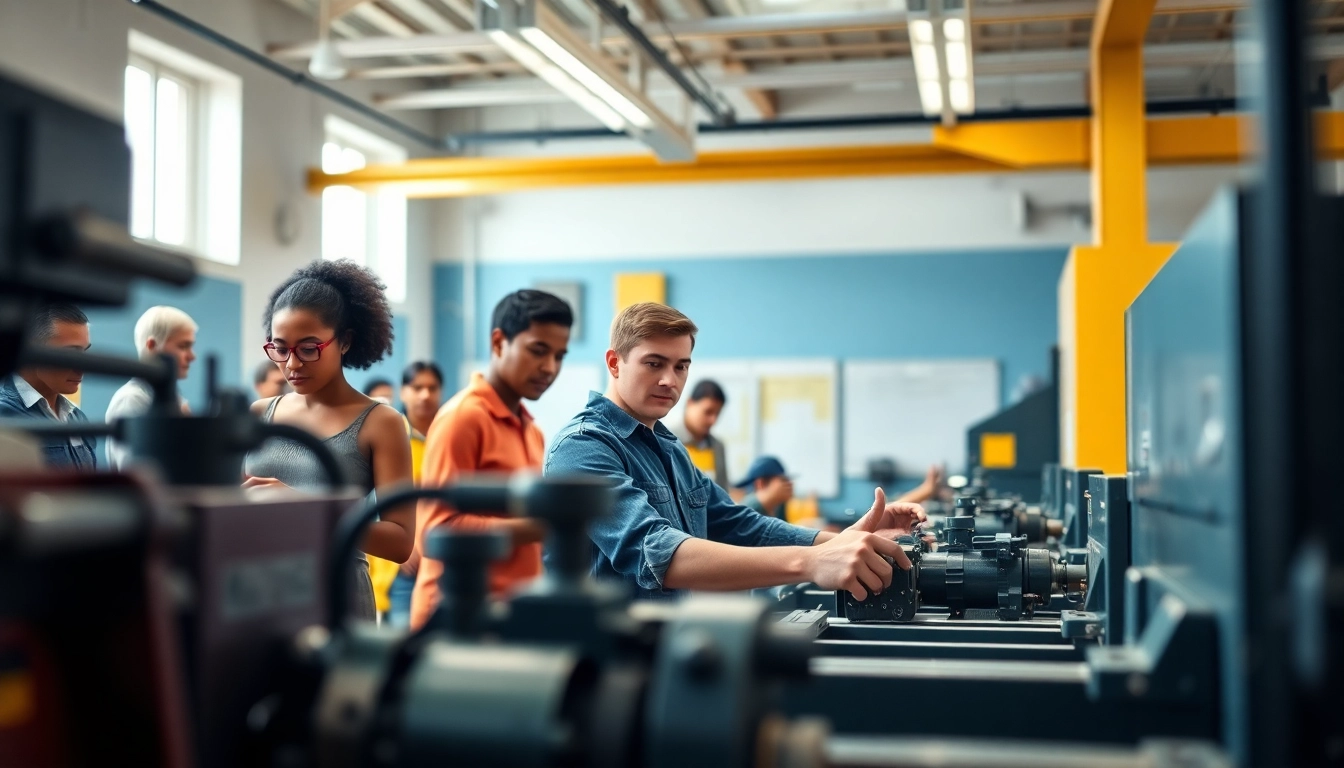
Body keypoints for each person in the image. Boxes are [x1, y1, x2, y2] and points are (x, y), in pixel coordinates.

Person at [544, 302, 926, 601]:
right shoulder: (582, 447)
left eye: (681, 367)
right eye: (654, 364)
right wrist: (810, 562)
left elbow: (741, 525)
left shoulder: (670, 449)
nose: (669, 380)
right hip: (597, 668)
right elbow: (658, 552)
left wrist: (843, 541)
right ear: (614, 362)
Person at [243, 259, 415, 622]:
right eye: (280, 348)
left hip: (337, 593)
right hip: (260, 588)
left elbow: (400, 541)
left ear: (345, 341)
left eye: (308, 348)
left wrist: (303, 506)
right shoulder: (260, 413)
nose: (291, 364)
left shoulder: (380, 422)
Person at [409, 289, 573, 630]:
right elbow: (435, 531)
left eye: (559, 356)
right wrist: (539, 527)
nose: (550, 368)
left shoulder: (531, 429)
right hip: (455, 617)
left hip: (510, 616)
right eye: (538, 351)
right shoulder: (463, 417)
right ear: (499, 342)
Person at [382, 360, 444, 628]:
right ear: (403, 391)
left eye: (432, 387)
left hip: (445, 560)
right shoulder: (389, 436)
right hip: (401, 567)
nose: (425, 395)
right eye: (417, 387)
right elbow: (374, 501)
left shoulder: (449, 434)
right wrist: (403, 546)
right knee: (402, 648)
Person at [0, 303, 96, 470]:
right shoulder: (5, 416)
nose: (82, 366)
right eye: (71, 353)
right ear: (31, 350)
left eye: (84, 353)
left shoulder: (77, 418)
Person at [104, 306, 196, 470]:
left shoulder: (174, 401)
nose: (192, 356)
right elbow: (136, 472)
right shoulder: (131, 399)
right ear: (152, 346)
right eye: (183, 346)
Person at [671, 379, 729, 490]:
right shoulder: (667, 441)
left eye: (717, 414)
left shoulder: (717, 446)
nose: (713, 420)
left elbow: (723, 492)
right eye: (708, 412)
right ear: (690, 403)